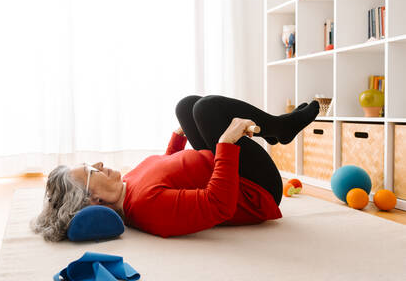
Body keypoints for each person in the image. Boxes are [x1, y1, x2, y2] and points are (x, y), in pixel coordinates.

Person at [31, 95, 319, 241]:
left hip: (222, 164)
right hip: (254, 190)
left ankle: (278, 128)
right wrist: (227, 144)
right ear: (95, 200)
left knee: (187, 106)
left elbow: (168, 168)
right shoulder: (146, 207)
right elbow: (218, 205)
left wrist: (178, 138)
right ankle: (280, 128)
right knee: (207, 109)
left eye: (89, 163)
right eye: (91, 171)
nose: (99, 164)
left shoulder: (127, 184)